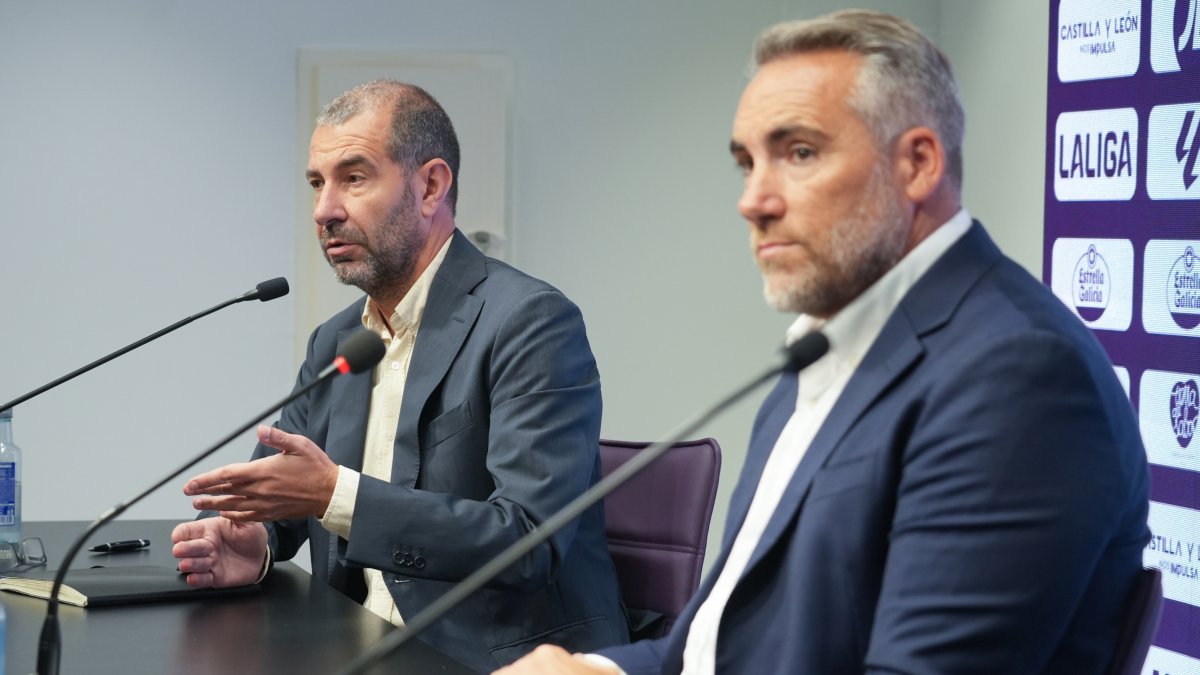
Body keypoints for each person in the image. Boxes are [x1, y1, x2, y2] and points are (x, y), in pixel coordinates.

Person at [495, 10, 1150, 675]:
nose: (753, 199)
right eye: (747, 162)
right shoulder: (821, 348)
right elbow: (722, 650)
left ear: (918, 163)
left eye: (799, 152)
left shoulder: (1017, 375)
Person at [171, 80, 628, 672]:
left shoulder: (530, 321)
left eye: (354, 177)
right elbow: (286, 496)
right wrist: (250, 543)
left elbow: (527, 541)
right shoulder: (337, 341)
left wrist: (335, 495)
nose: (325, 210)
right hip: (351, 644)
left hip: (501, 657)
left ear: (430, 186)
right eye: (317, 182)